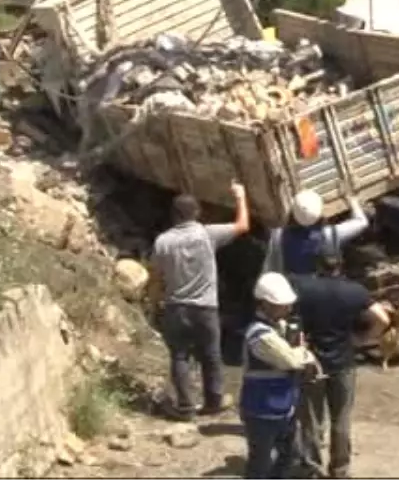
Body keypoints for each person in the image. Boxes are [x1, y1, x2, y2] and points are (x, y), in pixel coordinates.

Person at [149, 183, 251, 421]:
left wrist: (156, 302)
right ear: (197, 213)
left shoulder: (162, 242)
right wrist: (241, 197)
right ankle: (213, 401)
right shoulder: (207, 234)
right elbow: (243, 225)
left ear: (174, 215)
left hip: (176, 307)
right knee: (211, 354)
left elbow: (155, 276)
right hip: (206, 307)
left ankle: (185, 407)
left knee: (180, 356)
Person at [289, 254, 392, 478]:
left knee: (312, 421)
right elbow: (383, 319)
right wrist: (361, 340)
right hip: (344, 362)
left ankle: (311, 469)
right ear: (341, 266)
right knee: (341, 419)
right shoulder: (354, 291)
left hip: (312, 362)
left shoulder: (304, 288)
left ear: (318, 266)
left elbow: (290, 320)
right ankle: (340, 470)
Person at [241, 272, 320, 479]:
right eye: (282, 305)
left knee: (287, 457)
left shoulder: (279, 327)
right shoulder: (260, 335)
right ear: (265, 304)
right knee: (261, 463)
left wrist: (300, 349)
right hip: (262, 409)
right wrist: (305, 354)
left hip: (283, 406)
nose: (288, 308)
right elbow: (291, 360)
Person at [264, 190, 369, 276]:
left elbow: (271, 268)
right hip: (322, 286)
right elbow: (362, 222)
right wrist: (352, 202)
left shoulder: (277, 236)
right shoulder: (328, 235)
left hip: (295, 288)